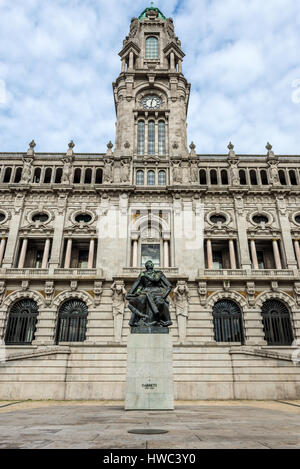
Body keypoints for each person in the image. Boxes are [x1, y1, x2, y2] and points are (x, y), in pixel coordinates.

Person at [127, 260, 172, 327]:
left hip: (158, 293)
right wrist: (133, 293)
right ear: (146, 266)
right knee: (138, 301)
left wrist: (164, 296)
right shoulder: (142, 274)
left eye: (150, 263)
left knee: (160, 302)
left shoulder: (159, 273)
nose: (149, 264)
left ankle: (161, 320)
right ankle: (138, 320)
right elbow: (137, 284)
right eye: (148, 264)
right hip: (145, 293)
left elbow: (169, 286)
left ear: (153, 266)